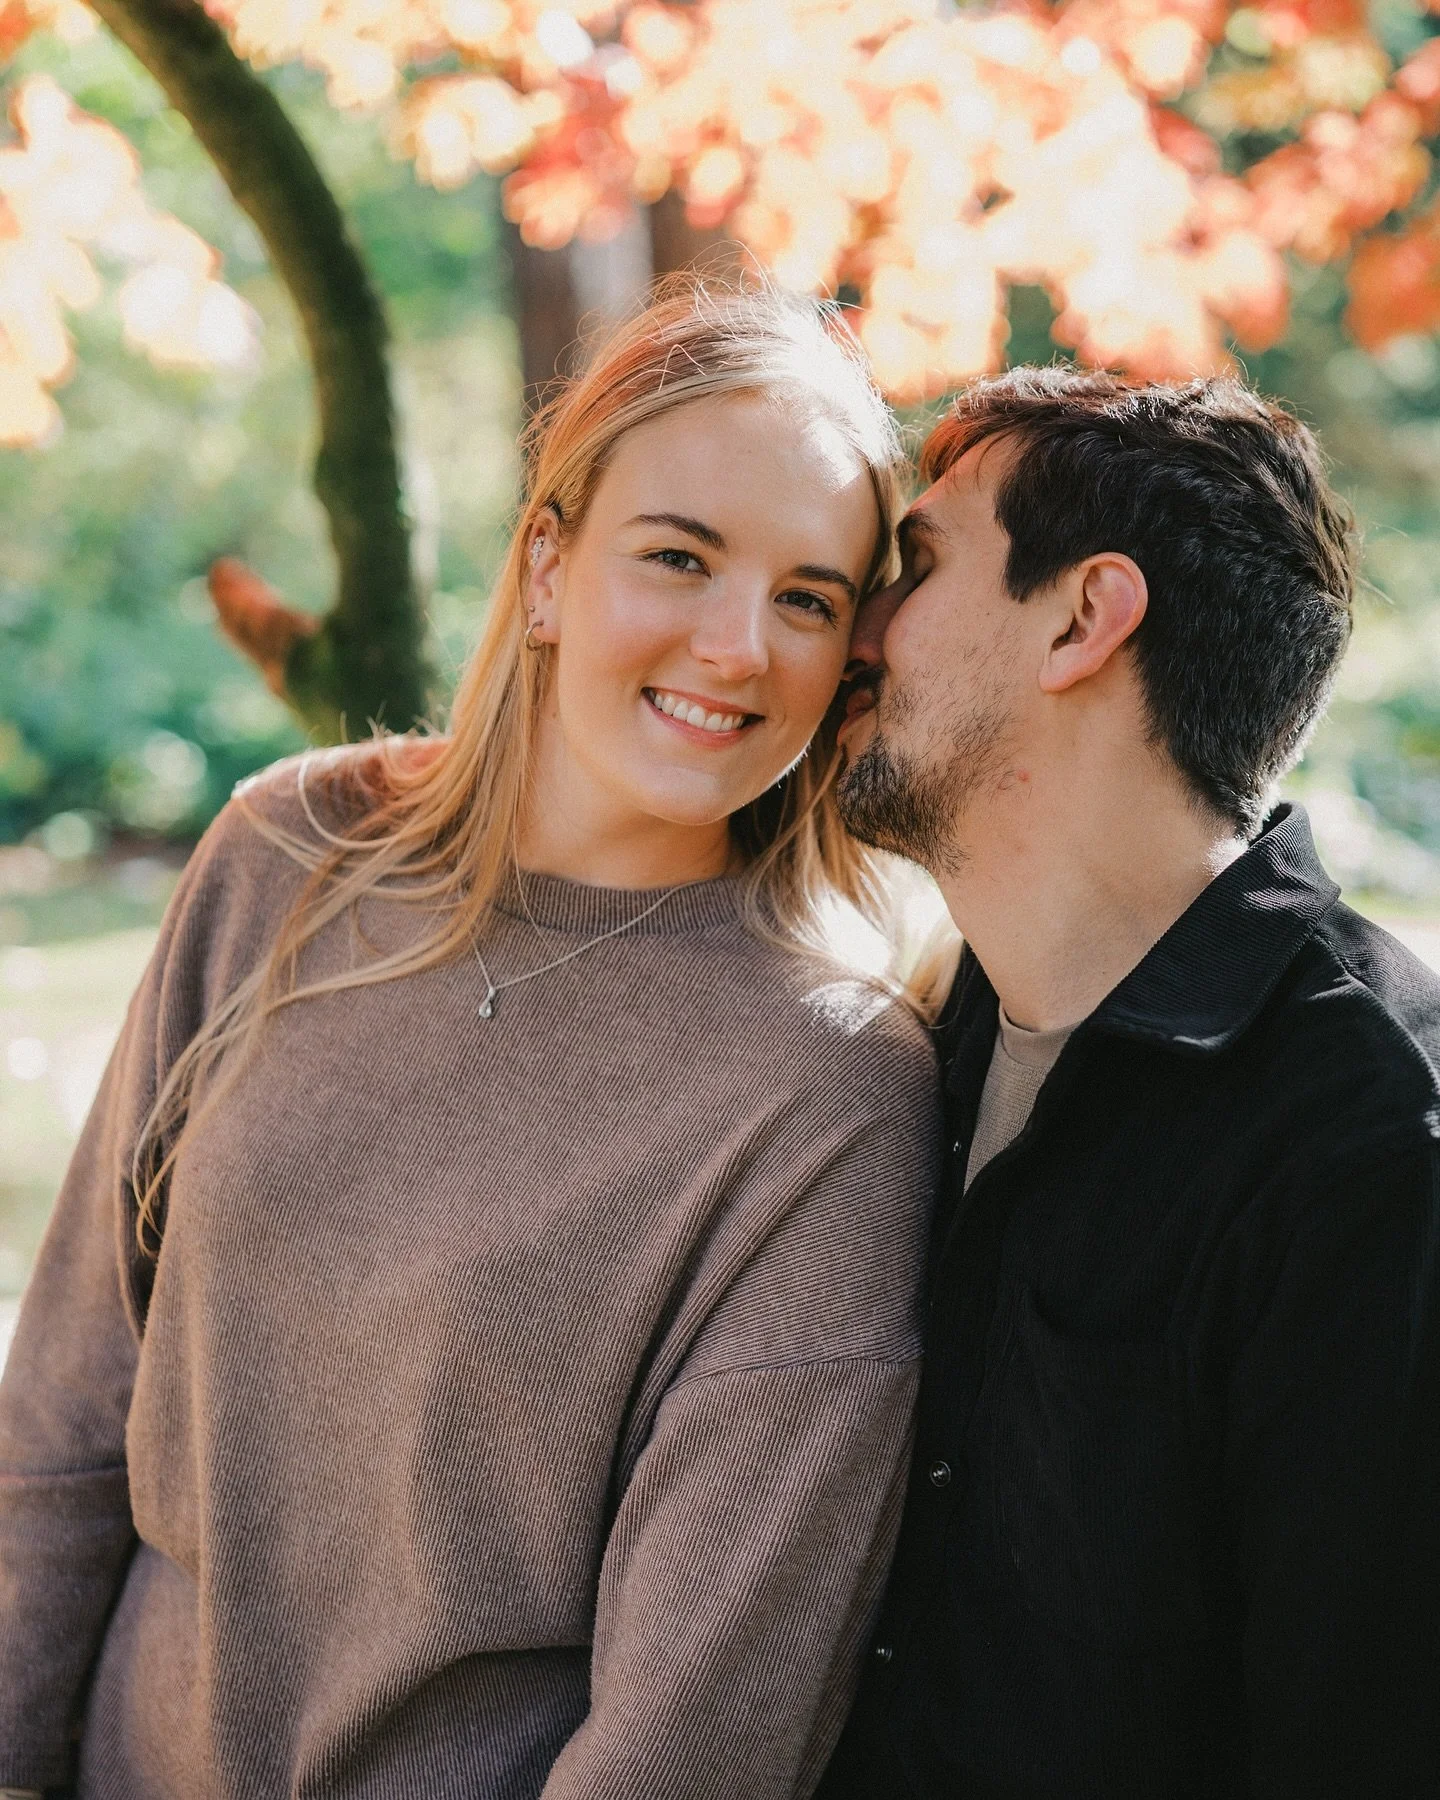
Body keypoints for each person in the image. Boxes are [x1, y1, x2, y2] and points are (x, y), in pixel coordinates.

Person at [0, 280, 942, 1800]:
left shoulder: (825, 1091)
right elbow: (61, 1421)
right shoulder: (287, 857)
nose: (737, 645)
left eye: (809, 598)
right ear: (551, 565)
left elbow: (699, 1726)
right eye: (681, 557)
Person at [819, 367, 1440, 1798]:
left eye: (910, 568)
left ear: (1084, 618)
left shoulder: (1373, 1141)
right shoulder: (935, 1036)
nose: (849, 629)